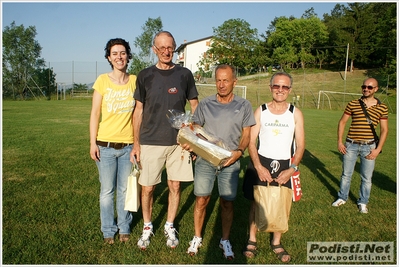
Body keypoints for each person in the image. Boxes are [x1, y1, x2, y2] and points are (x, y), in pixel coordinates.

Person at [131, 31, 199, 250]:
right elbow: (138, 110)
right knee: (148, 188)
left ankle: (170, 225)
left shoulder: (185, 74)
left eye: (169, 47)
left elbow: (195, 105)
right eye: (161, 48)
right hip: (150, 141)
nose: (166, 51)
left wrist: (194, 136)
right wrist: (136, 143)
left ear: (174, 48)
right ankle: (147, 226)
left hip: (178, 142)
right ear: (154, 50)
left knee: (175, 185)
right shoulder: (145, 75)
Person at [184, 64, 256, 260]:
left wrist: (239, 152)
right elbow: (195, 127)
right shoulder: (205, 104)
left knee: (227, 202)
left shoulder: (244, 105)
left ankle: (225, 240)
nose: (222, 85)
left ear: (235, 81)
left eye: (226, 80)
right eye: (218, 80)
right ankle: (197, 237)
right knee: (201, 199)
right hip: (206, 160)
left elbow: (247, 134)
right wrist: (191, 139)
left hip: (230, 162)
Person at [242, 72, 305, 263]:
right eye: (276, 86)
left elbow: (301, 145)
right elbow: (251, 142)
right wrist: (258, 166)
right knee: (256, 202)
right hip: (262, 162)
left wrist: (292, 168)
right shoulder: (261, 110)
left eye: (284, 87)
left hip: (285, 164)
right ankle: (252, 239)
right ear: (270, 88)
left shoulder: (295, 113)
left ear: (290, 90)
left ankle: (276, 242)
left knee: (282, 203)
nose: (280, 90)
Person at [89, 38, 136, 244]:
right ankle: (108, 230)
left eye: (123, 52)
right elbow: (94, 113)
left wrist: (138, 144)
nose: (119, 57)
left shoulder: (135, 80)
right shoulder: (102, 81)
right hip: (105, 146)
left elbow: (140, 113)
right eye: (115, 53)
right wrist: (93, 143)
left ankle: (124, 227)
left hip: (128, 146)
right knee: (107, 192)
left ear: (128, 55)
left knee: (125, 190)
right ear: (109, 57)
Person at [332, 78, 388, 213]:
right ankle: (342, 197)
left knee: (366, 178)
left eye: (370, 87)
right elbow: (342, 122)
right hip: (350, 145)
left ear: (376, 89)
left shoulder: (382, 107)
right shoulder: (353, 104)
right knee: (346, 174)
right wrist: (340, 142)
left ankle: (363, 202)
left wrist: (377, 149)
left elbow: (384, 130)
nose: (366, 89)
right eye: (364, 86)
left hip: (369, 147)